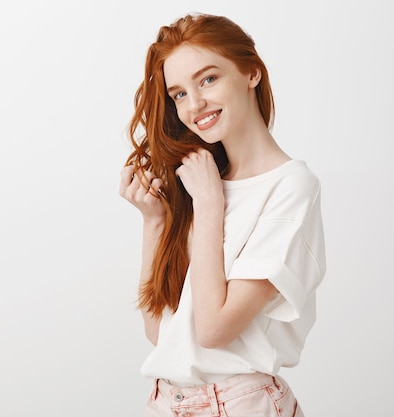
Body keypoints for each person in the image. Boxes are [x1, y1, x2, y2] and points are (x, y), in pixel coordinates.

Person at [118, 13, 326, 417]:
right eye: (178, 94)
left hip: (240, 406)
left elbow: (214, 330)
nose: (194, 104)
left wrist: (211, 206)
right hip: (170, 403)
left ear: (251, 72)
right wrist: (154, 222)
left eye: (208, 79)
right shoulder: (200, 179)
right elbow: (160, 334)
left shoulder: (290, 186)